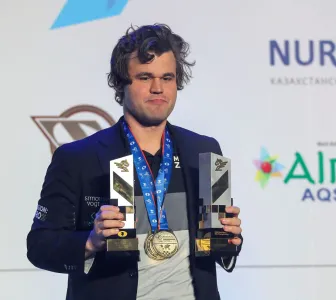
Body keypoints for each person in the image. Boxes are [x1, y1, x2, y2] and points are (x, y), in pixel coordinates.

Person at [26, 23, 243, 300]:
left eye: (167, 78)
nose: (157, 88)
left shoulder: (203, 150)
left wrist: (230, 238)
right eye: (144, 77)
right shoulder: (77, 158)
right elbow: (40, 246)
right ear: (121, 83)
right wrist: (91, 242)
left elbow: (219, 247)